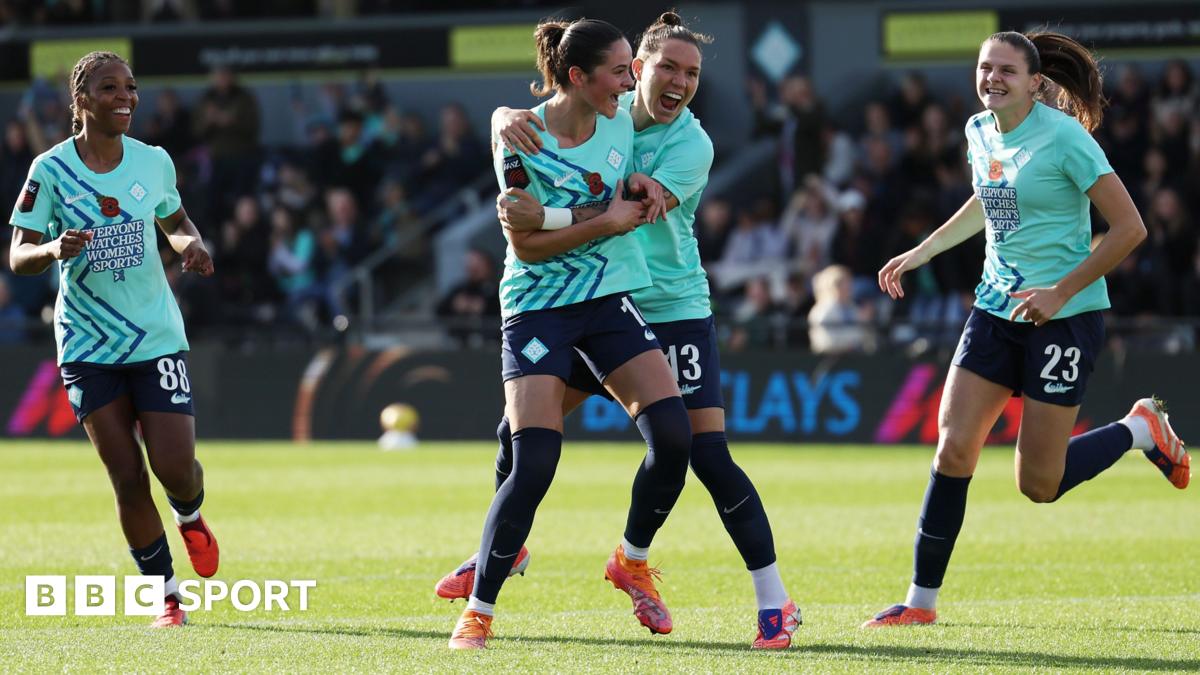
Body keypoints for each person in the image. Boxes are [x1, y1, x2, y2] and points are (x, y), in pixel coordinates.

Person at [437, 12, 801, 649]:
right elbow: (556, 115)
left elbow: (626, 207)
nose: (680, 82)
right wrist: (502, 118)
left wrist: (546, 204)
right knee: (521, 443)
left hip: (667, 305)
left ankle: (762, 598)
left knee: (701, 452)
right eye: (667, 68)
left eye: (691, 74)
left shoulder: (692, 144)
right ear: (636, 72)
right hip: (595, 296)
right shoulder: (611, 111)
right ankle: (502, 553)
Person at [865, 31, 1190, 628]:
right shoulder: (978, 130)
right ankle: (921, 603)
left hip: (1064, 318)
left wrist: (1060, 291)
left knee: (1039, 484)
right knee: (954, 445)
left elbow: (1130, 228)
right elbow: (988, 202)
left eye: (1006, 71)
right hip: (995, 310)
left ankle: (1141, 429)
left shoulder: (1066, 138)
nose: (992, 78)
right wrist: (923, 251)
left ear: (1035, 82)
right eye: (985, 67)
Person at [444, 18, 691, 650]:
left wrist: (628, 193)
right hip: (538, 307)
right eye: (618, 71)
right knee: (535, 461)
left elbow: (613, 195)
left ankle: (631, 560)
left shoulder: (617, 121)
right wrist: (601, 220)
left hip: (606, 301)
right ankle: (479, 611)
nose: (630, 81)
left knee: (673, 436)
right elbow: (525, 246)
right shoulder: (519, 136)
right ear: (578, 77)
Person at [7, 51, 219, 628]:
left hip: (154, 332)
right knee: (127, 477)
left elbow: (176, 222)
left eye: (129, 87)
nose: (124, 97)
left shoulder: (153, 163)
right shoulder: (48, 171)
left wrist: (189, 246)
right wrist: (51, 249)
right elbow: (18, 253)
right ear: (81, 101)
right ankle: (167, 597)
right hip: (87, 344)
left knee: (175, 467)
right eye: (109, 88)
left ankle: (190, 514)